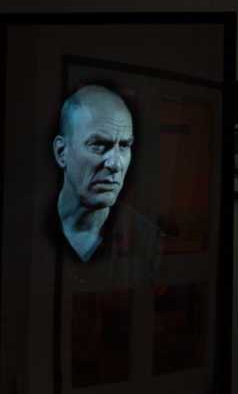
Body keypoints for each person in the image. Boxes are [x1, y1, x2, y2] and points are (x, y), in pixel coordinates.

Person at [51, 85, 162, 288]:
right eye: (98, 145)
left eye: (124, 146)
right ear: (61, 152)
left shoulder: (145, 238)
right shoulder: (18, 226)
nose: (116, 164)